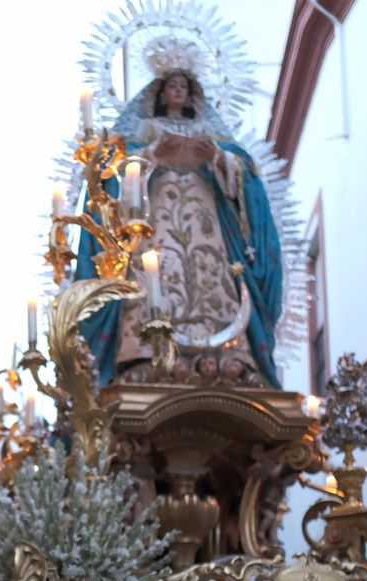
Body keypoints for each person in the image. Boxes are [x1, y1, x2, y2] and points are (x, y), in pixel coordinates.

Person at [75, 46, 284, 387]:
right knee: (152, 271)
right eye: (172, 85)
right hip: (154, 215)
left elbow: (245, 176)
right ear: (160, 92)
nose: (178, 90)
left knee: (213, 273)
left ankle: (227, 353)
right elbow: (114, 176)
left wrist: (216, 156)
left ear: (192, 95)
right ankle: (142, 352)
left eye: (184, 86)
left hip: (205, 217)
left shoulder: (210, 133)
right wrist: (153, 154)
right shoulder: (143, 129)